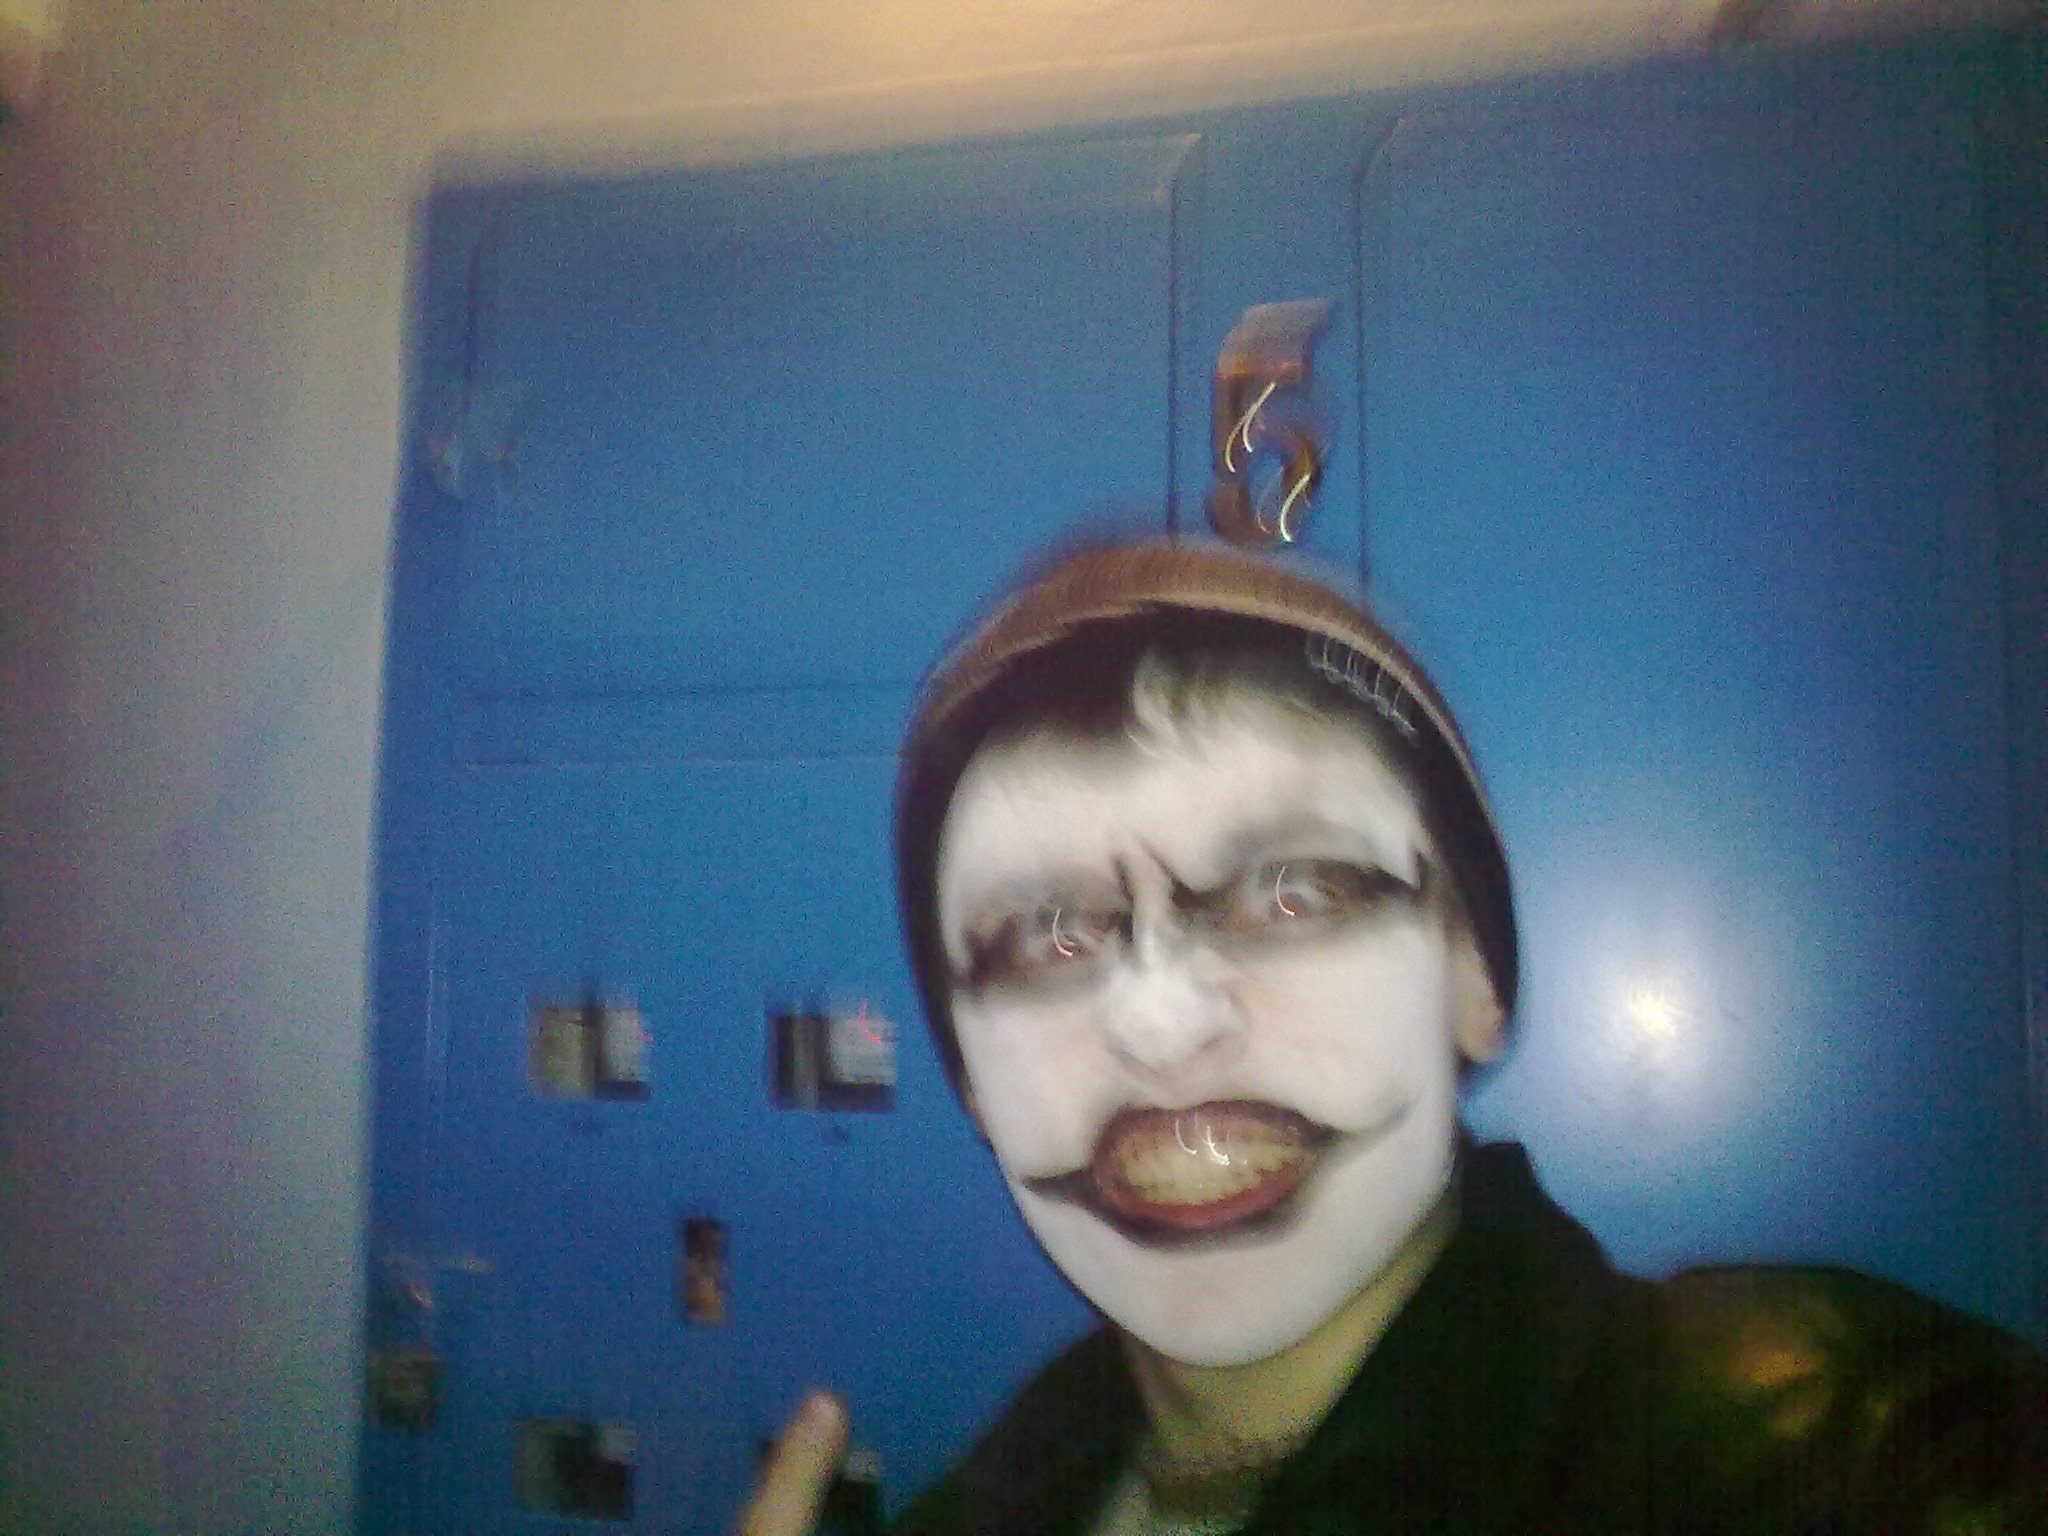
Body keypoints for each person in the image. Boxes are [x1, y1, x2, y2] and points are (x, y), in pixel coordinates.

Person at [742, 539, 2048, 1536]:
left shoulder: (1833, 1446)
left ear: (1476, 976)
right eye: (1048, 937)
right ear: (969, 1075)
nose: (1162, 1024)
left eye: (1292, 893)